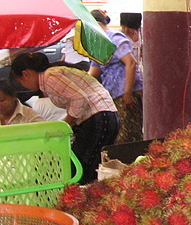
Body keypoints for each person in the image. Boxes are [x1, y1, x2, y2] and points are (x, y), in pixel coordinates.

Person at [10, 52, 118, 183]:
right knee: (92, 166)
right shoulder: (54, 73)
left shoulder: (50, 76)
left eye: (21, 82)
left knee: (80, 167)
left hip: (98, 117)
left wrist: (67, 124)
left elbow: (79, 98)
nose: (24, 86)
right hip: (104, 116)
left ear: (26, 74)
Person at [88, 10, 144, 143]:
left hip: (125, 94)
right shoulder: (99, 43)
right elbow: (94, 71)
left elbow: (130, 63)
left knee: (128, 136)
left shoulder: (114, 38)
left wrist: (127, 94)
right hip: (112, 95)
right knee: (118, 133)